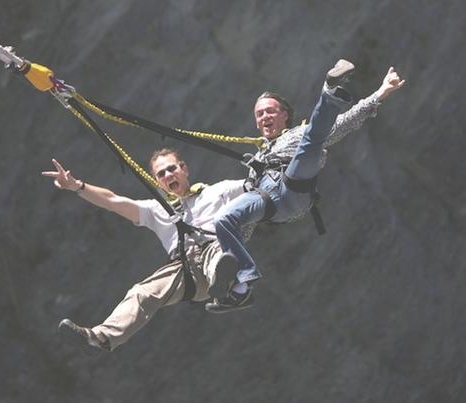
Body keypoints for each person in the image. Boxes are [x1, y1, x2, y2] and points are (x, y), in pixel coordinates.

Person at [205, 60, 406, 313]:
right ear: (256, 122)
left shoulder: (296, 135)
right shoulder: (256, 161)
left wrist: (381, 92)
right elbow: (246, 218)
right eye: (260, 114)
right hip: (268, 198)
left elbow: (346, 122)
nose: (265, 116)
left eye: (270, 111)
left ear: (284, 115)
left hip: (294, 185)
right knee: (224, 220)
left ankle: (330, 90)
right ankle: (242, 285)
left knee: (313, 138)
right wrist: (230, 252)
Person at [41, 149, 247, 352]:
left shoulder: (219, 191)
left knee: (218, 254)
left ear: (184, 169)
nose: (168, 175)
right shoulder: (156, 210)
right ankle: (100, 337)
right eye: (161, 174)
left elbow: (257, 186)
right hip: (186, 271)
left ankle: (221, 281)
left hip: (218, 252)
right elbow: (113, 201)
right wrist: (77, 186)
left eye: (171, 168)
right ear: (157, 181)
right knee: (142, 292)